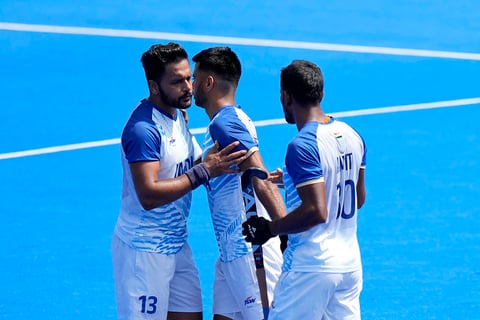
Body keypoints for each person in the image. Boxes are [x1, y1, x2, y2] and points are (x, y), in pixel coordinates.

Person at [112, 42, 248, 320]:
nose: (188, 86)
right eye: (177, 81)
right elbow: (148, 195)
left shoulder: (176, 117)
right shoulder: (143, 130)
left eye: (189, 77)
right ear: (154, 86)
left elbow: (187, 166)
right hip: (144, 252)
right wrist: (205, 171)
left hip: (177, 245)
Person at [242, 59, 367, 319]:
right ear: (320, 93)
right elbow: (358, 198)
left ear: (286, 96)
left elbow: (316, 211)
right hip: (349, 266)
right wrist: (291, 178)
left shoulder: (302, 146)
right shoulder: (352, 135)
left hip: (311, 267)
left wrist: (269, 228)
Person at [191, 46, 287, 320]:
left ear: (208, 83)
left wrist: (284, 233)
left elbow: (259, 176)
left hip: (250, 251)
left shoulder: (225, 124)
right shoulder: (231, 120)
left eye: (195, 77)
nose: (191, 84)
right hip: (230, 252)